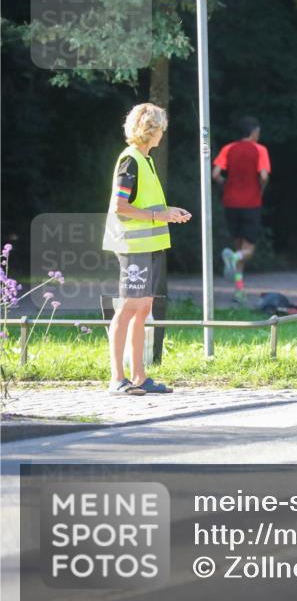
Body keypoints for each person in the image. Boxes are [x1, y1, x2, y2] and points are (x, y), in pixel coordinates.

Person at [102, 103, 191, 395]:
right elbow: (121, 206)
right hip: (133, 247)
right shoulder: (130, 161)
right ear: (151, 130)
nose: (163, 134)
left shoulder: (146, 160)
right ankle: (118, 378)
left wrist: (168, 210)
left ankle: (140, 377)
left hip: (150, 246)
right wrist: (159, 215)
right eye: (161, 128)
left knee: (143, 310)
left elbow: (145, 204)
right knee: (128, 309)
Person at [212, 116, 271, 305]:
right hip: (251, 203)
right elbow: (263, 176)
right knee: (248, 250)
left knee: (238, 245)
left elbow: (215, 174)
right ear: (254, 133)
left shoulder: (228, 149)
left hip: (230, 203)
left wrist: (226, 184)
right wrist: (260, 189)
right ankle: (234, 257)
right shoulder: (260, 150)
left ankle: (239, 291)